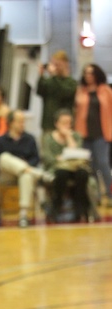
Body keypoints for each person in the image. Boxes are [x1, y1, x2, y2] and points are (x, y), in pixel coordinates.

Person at [0, 109, 42, 227]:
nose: (22, 124)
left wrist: (25, 166)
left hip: (24, 175)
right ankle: (37, 173)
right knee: (4, 157)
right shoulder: (1, 140)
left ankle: (23, 215)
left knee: (26, 175)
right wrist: (14, 164)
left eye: (23, 122)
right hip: (6, 175)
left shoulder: (30, 139)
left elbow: (36, 159)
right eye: (19, 122)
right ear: (11, 123)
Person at [41, 108, 92, 222]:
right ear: (56, 124)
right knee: (61, 173)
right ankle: (57, 206)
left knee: (82, 174)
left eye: (69, 123)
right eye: (63, 123)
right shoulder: (48, 137)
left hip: (75, 168)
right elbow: (48, 158)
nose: (67, 126)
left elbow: (77, 153)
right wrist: (61, 160)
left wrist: (68, 137)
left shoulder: (76, 136)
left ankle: (80, 209)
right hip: (56, 169)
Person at [74, 63, 112, 207]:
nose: (88, 76)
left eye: (91, 73)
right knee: (91, 166)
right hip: (84, 134)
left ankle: (110, 194)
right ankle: (95, 196)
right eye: (86, 73)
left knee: (103, 164)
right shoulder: (81, 91)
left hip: (102, 133)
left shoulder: (106, 90)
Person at [36, 50, 77, 134]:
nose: (56, 67)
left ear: (66, 64)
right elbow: (39, 91)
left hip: (65, 125)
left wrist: (54, 76)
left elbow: (64, 93)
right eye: (54, 64)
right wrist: (41, 75)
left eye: (58, 64)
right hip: (48, 124)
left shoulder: (71, 82)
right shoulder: (50, 81)